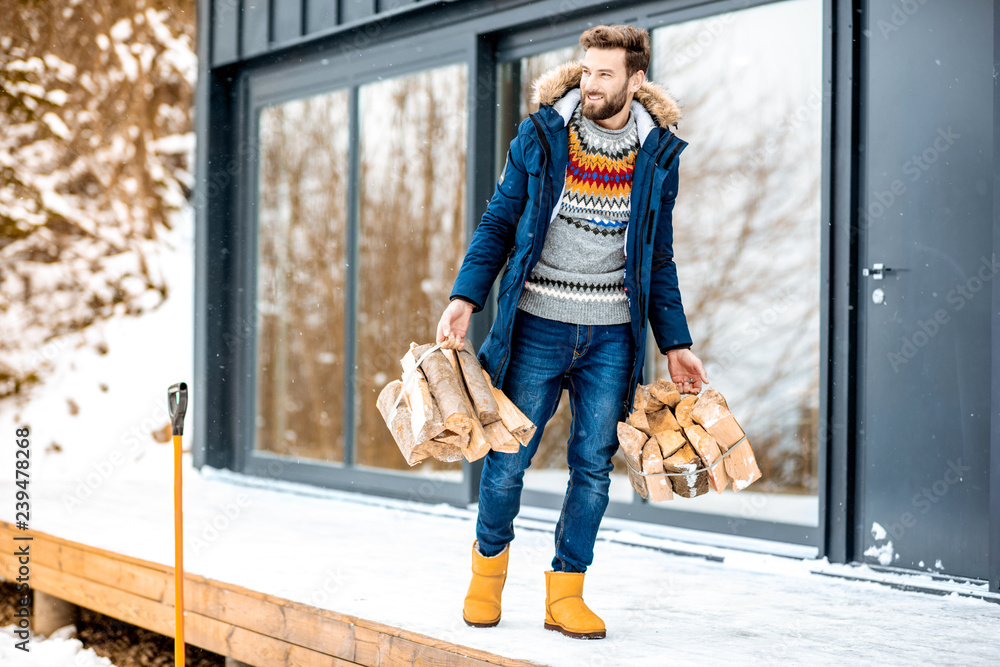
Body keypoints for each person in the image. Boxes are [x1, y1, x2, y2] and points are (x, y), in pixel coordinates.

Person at [435, 24, 707, 640]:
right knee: (509, 458)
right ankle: (486, 579)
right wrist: (464, 298)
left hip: (612, 339)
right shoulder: (541, 138)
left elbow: (656, 258)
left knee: (592, 466)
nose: (592, 83)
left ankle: (567, 593)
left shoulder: (658, 156)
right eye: (586, 70)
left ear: (636, 81)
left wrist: (676, 343)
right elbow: (499, 221)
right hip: (537, 326)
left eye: (606, 73)